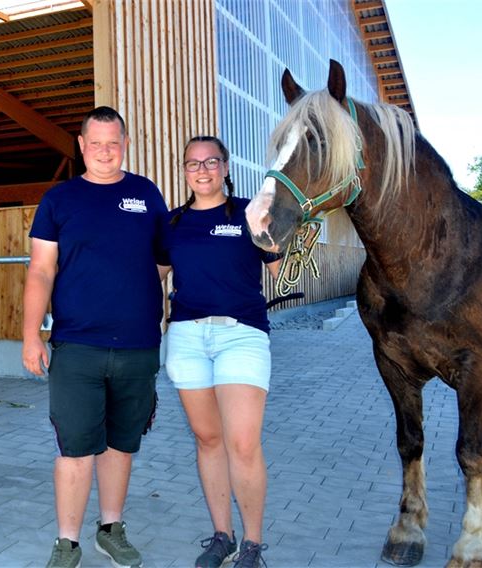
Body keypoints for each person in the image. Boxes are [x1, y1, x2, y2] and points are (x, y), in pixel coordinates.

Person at [22, 106, 168, 568]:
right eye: (96, 143)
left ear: (125, 144)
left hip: (138, 347)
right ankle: (67, 543)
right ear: (82, 146)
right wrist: (31, 334)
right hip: (76, 348)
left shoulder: (146, 194)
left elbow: (164, 260)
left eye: (113, 143)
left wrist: (132, 292)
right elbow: (41, 270)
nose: (105, 152)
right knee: (75, 449)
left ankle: (111, 529)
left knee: (121, 445)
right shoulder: (59, 200)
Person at [158, 136, 281, 568]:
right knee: (208, 439)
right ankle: (222, 536)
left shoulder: (249, 213)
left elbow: (279, 268)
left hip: (242, 336)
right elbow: (154, 276)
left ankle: (252, 544)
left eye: (211, 162)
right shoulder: (172, 223)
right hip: (187, 338)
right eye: (193, 163)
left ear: (225, 168)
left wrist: (274, 229)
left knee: (242, 443)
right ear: (184, 171)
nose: (202, 170)